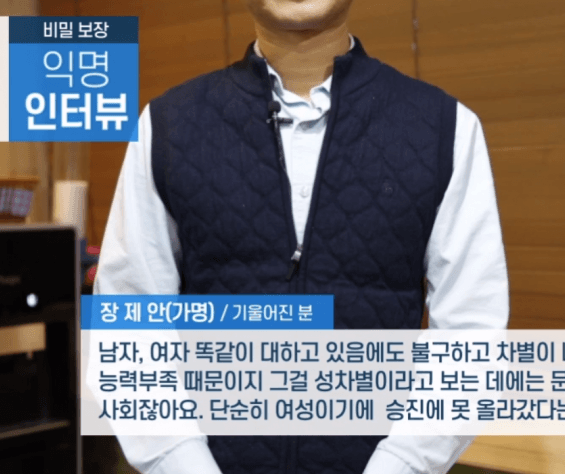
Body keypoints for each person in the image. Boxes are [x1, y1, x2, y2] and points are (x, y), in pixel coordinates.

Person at [92, 0, 509, 472]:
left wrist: (401, 464)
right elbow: (128, 327)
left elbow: (472, 337)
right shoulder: (166, 127)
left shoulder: (446, 129)